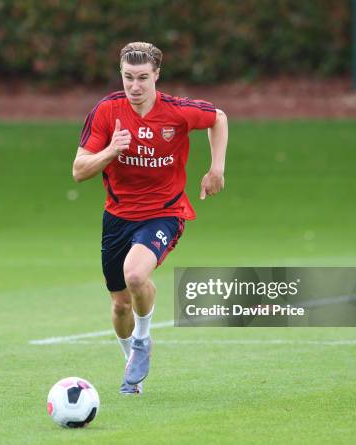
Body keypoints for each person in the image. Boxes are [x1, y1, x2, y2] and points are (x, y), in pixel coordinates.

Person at [72, 42, 228, 394]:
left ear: (157, 75)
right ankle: (132, 367)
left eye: (143, 77)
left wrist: (216, 169)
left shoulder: (176, 111)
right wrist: (112, 150)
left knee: (136, 274)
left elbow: (218, 117)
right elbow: (79, 171)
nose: (135, 86)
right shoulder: (106, 111)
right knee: (119, 305)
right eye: (128, 77)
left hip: (164, 212)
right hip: (117, 217)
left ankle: (142, 342)